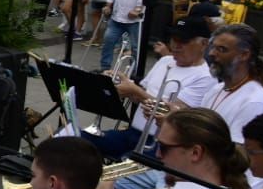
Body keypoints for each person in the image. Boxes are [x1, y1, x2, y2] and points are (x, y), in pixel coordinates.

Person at [89, 19, 215, 160]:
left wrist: (135, 91)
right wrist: (119, 83)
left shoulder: (205, 77)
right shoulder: (165, 61)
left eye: (184, 41)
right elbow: (138, 95)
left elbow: (176, 114)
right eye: (173, 39)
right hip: (133, 133)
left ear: (204, 44)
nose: (176, 45)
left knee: (118, 174)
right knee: (75, 141)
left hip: (160, 144)